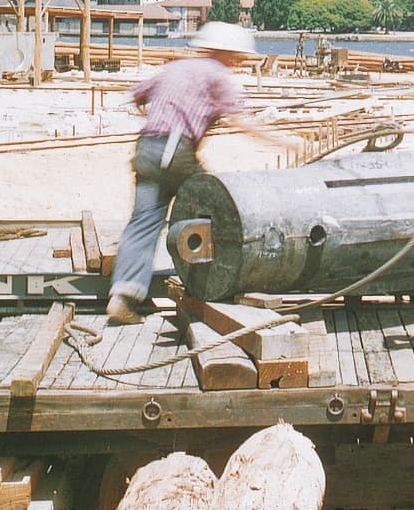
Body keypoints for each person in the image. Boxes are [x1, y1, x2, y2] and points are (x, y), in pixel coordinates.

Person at [107, 22, 293, 324]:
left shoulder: (175, 68)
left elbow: (138, 95)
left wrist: (160, 116)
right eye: (238, 56)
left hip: (147, 148)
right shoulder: (218, 76)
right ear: (229, 53)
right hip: (175, 151)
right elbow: (239, 121)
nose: (240, 61)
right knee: (217, 207)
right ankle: (224, 276)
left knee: (143, 222)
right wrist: (280, 139)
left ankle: (123, 296)